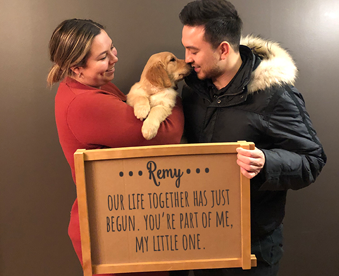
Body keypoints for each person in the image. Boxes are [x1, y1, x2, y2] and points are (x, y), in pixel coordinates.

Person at [175, 0, 327, 275]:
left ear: (222, 49)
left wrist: (266, 162)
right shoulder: (192, 90)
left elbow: (312, 160)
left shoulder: (274, 95)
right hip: (201, 239)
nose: (187, 58)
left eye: (193, 50)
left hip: (253, 246)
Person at [47, 19, 184, 276]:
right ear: (76, 68)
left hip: (124, 221)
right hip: (113, 233)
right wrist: (169, 91)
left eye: (112, 48)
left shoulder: (91, 84)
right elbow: (167, 133)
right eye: (103, 57)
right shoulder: (85, 103)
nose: (114, 59)